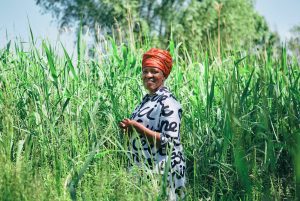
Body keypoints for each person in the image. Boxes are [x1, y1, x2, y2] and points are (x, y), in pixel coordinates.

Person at [119, 48, 186, 200]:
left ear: (164, 75)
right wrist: (129, 129)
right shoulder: (146, 101)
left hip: (163, 172)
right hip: (143, 171)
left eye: (154, 71)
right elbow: (142, 133)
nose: (148, 75)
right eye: (145, 71)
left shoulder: (168, 103)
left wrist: (138, 128)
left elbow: (169, 142)